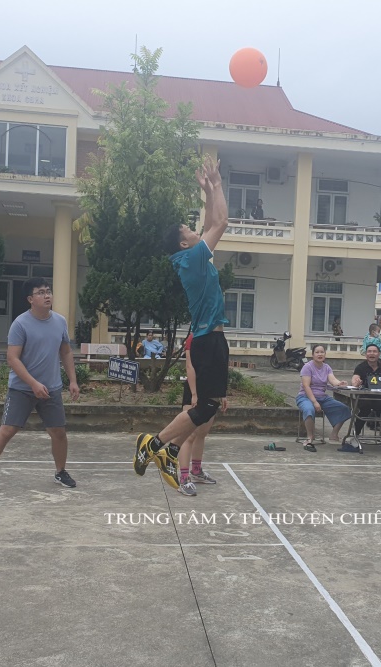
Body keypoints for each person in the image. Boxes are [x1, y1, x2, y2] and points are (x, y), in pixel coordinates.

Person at [134, 156, 230, 489]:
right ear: (183, 243)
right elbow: (221, 222)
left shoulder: (192, 257)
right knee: (203, 408)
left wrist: (207, 192)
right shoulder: (192, 258)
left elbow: (210, 222)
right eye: (188, 230)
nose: (195, 230)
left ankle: (168, 451)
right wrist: (217, 183)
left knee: (208, 407)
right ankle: (154, 444)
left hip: (212, 338)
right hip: (207, 341)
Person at [0, 277, 81, 496]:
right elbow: (12, 358)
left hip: (51, 388)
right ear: (31, 299)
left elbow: (66, 351)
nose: (47, 295)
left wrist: (73, 380)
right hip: (22, 388)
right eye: (41, 292)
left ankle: (60, 472)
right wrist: (33, 383)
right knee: (7, 431)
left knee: (58, 432)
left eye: (48, 291)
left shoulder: (60, 321)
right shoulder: (20, 324)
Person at [175, 332, 225, 496]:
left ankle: (196, 471)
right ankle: (183, 478)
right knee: (188, 435)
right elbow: (189, 367)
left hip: (211, 390)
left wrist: (222, 393)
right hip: (194, 390)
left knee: (202, 432)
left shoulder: (216, 337)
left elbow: (219, 367)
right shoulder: (193, 337)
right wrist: (194, 394)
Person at [296, 344, 351, 452]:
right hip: (305, 397)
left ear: (325, 354)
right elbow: (306, 386)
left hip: (322, 397)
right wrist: (314, 402)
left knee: (344, 409)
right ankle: (310, 437)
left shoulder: (327, 367)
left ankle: (334, 434)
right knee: (309, 409)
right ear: (313, 355)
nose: (320, 354)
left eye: (322, 352)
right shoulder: (307, 367)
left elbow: (333, 380)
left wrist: (340, 383)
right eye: (317, 352)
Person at [346, 343, 381, 451]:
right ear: (366, 354)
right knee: (365, 408)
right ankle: (355, 436)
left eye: (374, 351)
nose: (372, 354)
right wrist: (356, 382)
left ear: (379, 354)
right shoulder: (360, 367)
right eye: (369, 351)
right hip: (364, 398)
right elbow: (354, 379)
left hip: (380, 398)